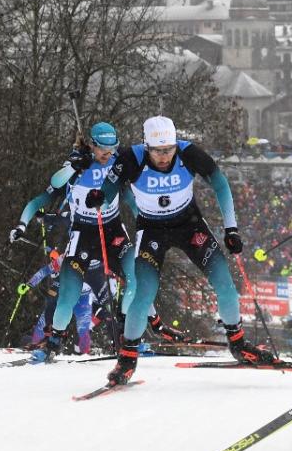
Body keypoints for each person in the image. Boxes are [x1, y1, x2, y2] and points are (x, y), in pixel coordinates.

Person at [89, 115, 276, 386]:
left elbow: (220, 183)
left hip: (189, 225)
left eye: (168, 150)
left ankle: (238, 344)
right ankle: (127, 360)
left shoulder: (189, 153)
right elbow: (109, 186)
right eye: (157, 151)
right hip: (151, 229)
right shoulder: (132, 157)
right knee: (144, 293)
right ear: (147, 146)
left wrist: (231, 229)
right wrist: (101, 196)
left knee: (224, 283)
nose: (164, 157)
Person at [9, 122, 180, 362]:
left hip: (113, 231)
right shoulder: (77, 165)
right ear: (92, 144)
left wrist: (152, 222)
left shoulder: (118, 162)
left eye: (112, 149)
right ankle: (53, 342)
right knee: (69, 292)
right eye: (102, 149)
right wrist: (22, 224)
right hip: (84, 232)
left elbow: (132, 198)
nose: (107, 155)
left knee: (136, 277)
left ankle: (127, 338)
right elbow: (45, 194)